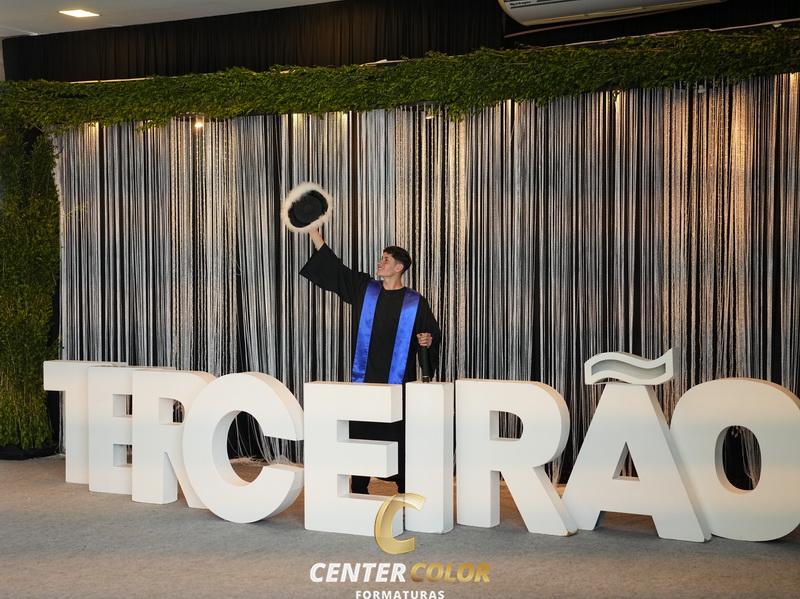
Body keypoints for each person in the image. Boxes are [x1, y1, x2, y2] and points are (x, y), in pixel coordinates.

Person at [300, 227, 441, 495]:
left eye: (386, 259)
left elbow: (429, 335)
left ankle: (403, 487)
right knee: (362, 431)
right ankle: (359, 486)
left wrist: (427, 340)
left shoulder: (415, 302)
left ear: (399, 267)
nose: (380, 262)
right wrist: (315, 234)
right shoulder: (365, 289)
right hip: (365, 379)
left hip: (398, 382)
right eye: (381, 258)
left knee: (399, 434)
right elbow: (336, 270)